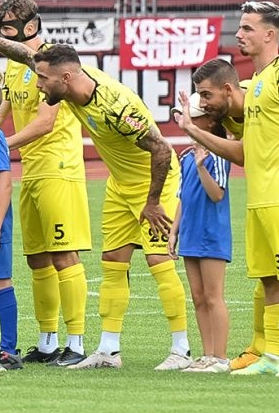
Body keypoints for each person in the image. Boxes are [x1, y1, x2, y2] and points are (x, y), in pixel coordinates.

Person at [177, 5, 279, 377]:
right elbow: (244, 153)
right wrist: (192, 130)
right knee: (270, 275)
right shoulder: (254, 88)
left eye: (247, 28)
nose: (239, 34)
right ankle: (270, 353)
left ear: (270, 34)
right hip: (266, 191)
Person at [32, 45, 192, 370]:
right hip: (120, 185)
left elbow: (162, 150)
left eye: (43, 79)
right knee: (113, 262)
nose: (38, 85)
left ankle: (181, 349)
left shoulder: (116, 107)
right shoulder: (69, 86)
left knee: (158, 260)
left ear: (65, 77)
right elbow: (24, 54)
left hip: (155, 183)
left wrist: (152, 202)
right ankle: (108, 350)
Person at [0, 0, 91, 364]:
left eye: (8, 27)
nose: (4, 33)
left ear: (30, 27)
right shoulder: (14, 65)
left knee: (64, 255)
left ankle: (77, 343)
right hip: (31, 169)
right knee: (36, 259)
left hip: (58, 166)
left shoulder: (51, 63)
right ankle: (48, 341)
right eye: (1, 28)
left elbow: (45, 123)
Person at [168, 94, 233, 373]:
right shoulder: (186, 156)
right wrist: (174, 231)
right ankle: (206, 355)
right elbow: (183, 197)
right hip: (191, 233)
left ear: (208, 121)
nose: (186, 122)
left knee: (213, 296)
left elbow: (216, 194)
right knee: (198, 297)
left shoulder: (218, 154)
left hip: (211, 233)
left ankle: (220, 357)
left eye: (192, 117)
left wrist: (201, 166)